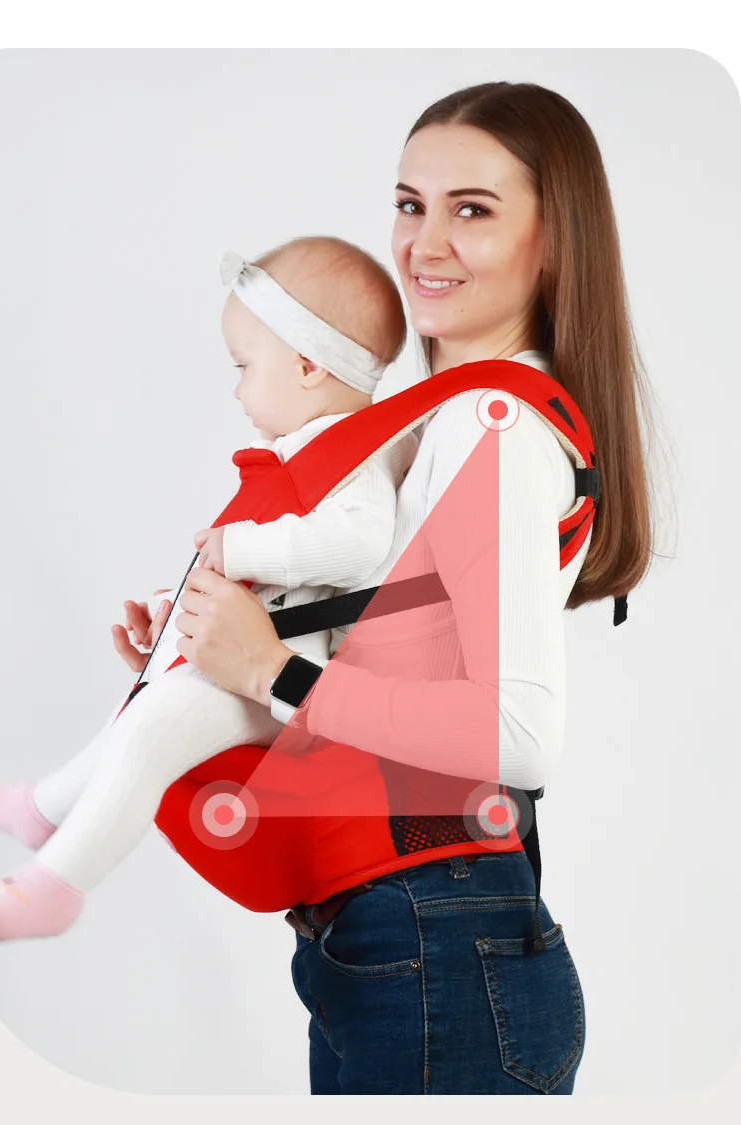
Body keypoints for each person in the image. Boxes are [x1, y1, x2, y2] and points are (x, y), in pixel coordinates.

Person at [117, 82, 656, 1095]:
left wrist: (270, 670)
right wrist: (215, 636)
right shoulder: (452, 415)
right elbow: (399, 644)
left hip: (434, 933)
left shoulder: (491, 428)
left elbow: (519, 733)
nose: (423, 243)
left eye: (472, 209)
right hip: (412, 931)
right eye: (410, 204)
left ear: (552, 240)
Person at [0, 236, 418, 943]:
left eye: (244, 365)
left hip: (289, 675)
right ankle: (46, 808)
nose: (236, 389)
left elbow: (360, 543)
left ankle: (54, 885)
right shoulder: (309, 449)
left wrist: (244, 547)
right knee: (140, 711)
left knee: (150, 733)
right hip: (258, 652)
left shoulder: (358, 450)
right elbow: (281, 580)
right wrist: (180, 619)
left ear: (307, 364)